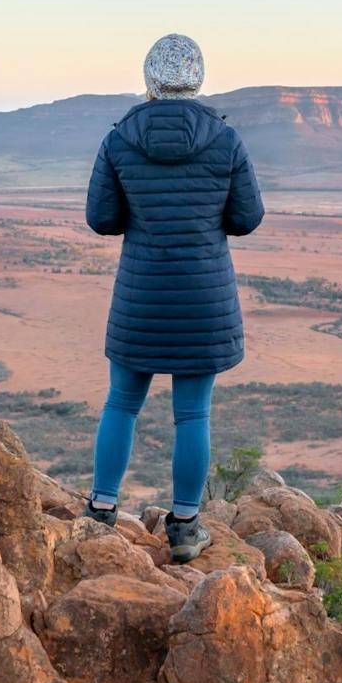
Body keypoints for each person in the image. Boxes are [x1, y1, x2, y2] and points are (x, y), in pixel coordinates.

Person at [83, 33, 264, 561]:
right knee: (193, 414)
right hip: (204, 299)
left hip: (141, 296)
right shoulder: (225, 140)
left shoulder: (119, 139)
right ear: (198, 78)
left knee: (122, 403)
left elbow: (102, 218)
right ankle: (184, 526)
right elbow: (246, 218)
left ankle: (100, 510)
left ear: (150, 80)